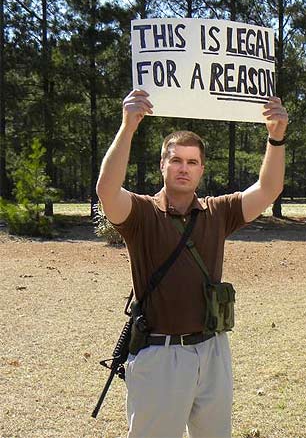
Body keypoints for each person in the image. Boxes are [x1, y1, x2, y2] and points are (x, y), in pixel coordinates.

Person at [96, 89, 288, 438]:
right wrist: (128, 126)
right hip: (160, 355)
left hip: (213, 350)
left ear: (201, 170)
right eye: (176, 160)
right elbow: (107, 190)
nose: (184, 168)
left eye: (192, 162)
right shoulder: (141, 214)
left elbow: (268, 188)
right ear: (163, 165)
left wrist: (276, 138)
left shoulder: (218, 211)